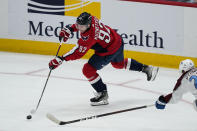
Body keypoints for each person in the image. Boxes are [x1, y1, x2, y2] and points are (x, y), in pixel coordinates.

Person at [49, 12, 159, 106]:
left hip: (108, 50)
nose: (79, 28)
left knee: (88, 70)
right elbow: (79, 25)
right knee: (118, 64)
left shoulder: (89, 37)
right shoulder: (91, 19)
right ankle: (146, 68)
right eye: (78, 25)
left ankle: (102, 93)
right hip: (117, 40)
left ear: (88, 26)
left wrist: (61, 59)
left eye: (81, 27)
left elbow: (78, 53)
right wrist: (70, 28)